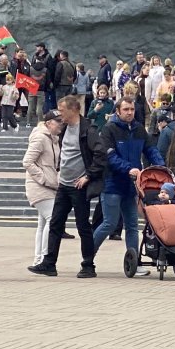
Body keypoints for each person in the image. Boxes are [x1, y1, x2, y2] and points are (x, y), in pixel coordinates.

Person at [30, 96, 108, 278]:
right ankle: (49, 263)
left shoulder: (88, 129)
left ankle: (88, 265)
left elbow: (100, 154)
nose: (60, 114)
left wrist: (88, 176)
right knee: (56, 223)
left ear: (74, 110)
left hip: (78, 186)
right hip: (63, 184)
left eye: (62, 110)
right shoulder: (64, 128)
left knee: (83, 226)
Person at [92, 98, 162, 262]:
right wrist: (128, 168)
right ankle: (88, 255)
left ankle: (134, 262)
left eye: (132, 109)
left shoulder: (139, 129)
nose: (130, 112)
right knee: (109, 223)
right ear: (118, 111)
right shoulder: (109, 129)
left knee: (132, 225)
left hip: (132, 186)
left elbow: (151, 149)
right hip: (112, 184)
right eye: (126, 109)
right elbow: (110, 157)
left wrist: (161, 166)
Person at [23, 110, 64, 269]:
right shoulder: (40, 137)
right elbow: (27, 162)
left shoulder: (54, 139)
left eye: (61, 120)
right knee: (52, 219)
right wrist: (43, 177)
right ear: (48, 123)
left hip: (50, 186)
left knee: (42, 223)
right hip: (38, 186)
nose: (61, 123)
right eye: (57, 121)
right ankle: (45, 258)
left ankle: (39, 258)